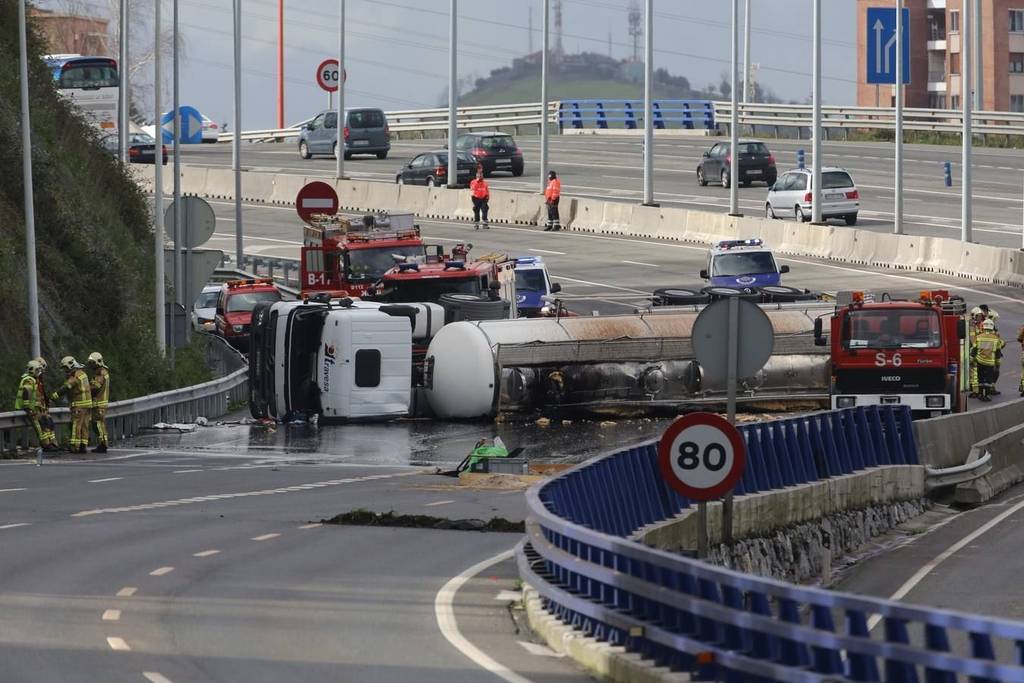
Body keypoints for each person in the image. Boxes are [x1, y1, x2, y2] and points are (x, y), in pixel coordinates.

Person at [14, 360, 59, 452]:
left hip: (37, 408)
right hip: (32, 409)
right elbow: (27, 392)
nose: (39, 372)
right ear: (33, 370)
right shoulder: (29, 379)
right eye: (38, 370)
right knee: (39, 427)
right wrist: (27, 407)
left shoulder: (34, 379)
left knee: (46, 424)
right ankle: (46, 445)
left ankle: (51, 443)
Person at [50, 356, 92, 453]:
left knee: (75, 425)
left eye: (65, 368)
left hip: (79, 405)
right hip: (88, 405)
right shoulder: (83, 374)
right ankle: (83, 446)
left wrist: (54, 396)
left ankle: (74, 446)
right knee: (84, 426)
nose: (65, 370)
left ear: (71, 366)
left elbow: (66, 387)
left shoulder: (75, 377)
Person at [971, 320, 1004, 402]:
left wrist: (972, 359)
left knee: (980, 378)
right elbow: (998, 352)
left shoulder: (979, 337)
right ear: (992, 327)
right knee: (989, 380)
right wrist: (998, 363)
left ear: (984, 326)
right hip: (990, 362)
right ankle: (987, 395)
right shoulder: (996, 338)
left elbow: (974, 350)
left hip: (980, 361)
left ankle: (981, 394)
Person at [87, 352, 110, 454]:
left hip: (99, 404)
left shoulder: (101, 373)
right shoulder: (103, 371)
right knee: (99, 424)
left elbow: (96, 386)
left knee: (98, 425)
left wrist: (86, 390)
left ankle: (103, 444)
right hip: (100, 403)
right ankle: (102, 443)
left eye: (92, 363)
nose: (91, 365)